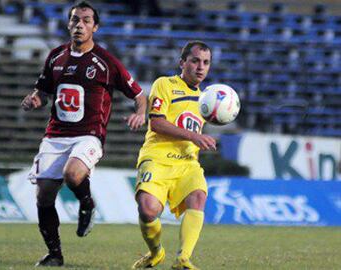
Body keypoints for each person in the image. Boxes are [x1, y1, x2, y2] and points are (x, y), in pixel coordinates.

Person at [21, 1, 146, 267]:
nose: (79, 25)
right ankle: (55, 254)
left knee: (73, 174)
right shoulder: (55, 56)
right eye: (75, 20)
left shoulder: (106, 62)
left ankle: (87, 204)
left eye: (86, 20)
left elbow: (139, 95)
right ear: (68, 24)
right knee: (43, 195)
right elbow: (43, 93)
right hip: (55, 135)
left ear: (95, 27)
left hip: (89, 134)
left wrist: (140, 113)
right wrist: (35, 100)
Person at [132, 41, 216, 270]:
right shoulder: (165, 84)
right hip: (157, 158)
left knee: (198, 196)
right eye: (195, 61)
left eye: (206, 62)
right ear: (182, 63)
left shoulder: (207, 100)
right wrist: (194, 136)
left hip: (187, 163)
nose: (201, 67)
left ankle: (183, 259)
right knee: (148, 210)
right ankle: (156, 252)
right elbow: (157, 123)